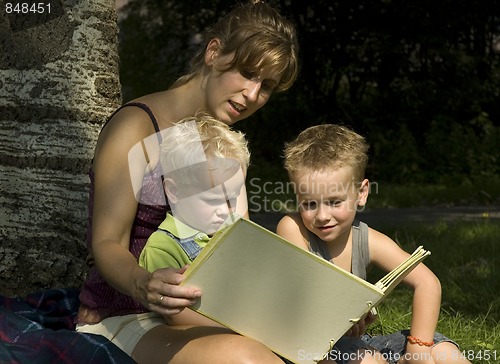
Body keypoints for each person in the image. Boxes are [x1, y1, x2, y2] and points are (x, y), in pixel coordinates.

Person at [75, 0, 299, 362]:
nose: (253, 95)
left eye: (267, 86)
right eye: (246, 72)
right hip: (126, 314)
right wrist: (143, 283)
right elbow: (105, 243)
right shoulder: (136, 127)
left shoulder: (221, 142)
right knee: (247, 358)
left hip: (213, 315)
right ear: (213, 52)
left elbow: (235, 244)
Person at [276, 124, 471, 364]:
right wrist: (344, 311)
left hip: (355, 344)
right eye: (309, 204)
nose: (322, 215)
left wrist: (417, 351)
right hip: (304, 346)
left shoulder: (367, 239)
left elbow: (427, 282)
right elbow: (304, 296)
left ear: (361, 193)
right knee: (368, 359)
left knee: (446, 355)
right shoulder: (292, 229)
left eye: (335, 202)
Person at [138, 114, 249, 328]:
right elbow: (178, 316)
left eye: (233, 198)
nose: (226, 211)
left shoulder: (231, 232)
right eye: (213, 200)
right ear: (173, 191)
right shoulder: (163, 248)